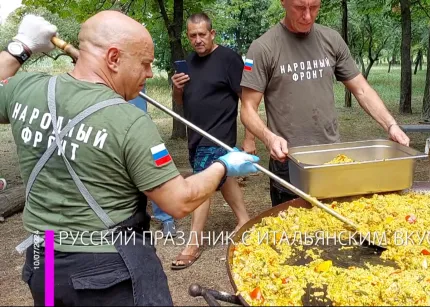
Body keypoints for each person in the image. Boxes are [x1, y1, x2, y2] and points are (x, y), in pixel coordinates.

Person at [0, 11, 259, 306]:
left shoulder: (26, 90)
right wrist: (223, 165)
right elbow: (178, 202)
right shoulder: (129, 122)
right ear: (113, 58)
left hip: (43, 267)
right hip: (107, 273)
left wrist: (21, 45)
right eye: (145, 64)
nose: (149, 74)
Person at [240, 0, 410, 207]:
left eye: (314, 7)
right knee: (292, 232)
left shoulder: (331, 39)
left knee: (333, 230)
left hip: (332, 159)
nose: (308, 16)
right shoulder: (263, 47)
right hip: (289, 161)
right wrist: (269, 138)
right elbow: (248, 108)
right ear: (283, 2)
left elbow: (361, 89)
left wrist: (390, 124)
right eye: (300, 8)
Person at [169, 12, 256, 270]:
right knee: (224, 175)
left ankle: (192, 244)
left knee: (201, 183)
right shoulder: (188, 64)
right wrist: (177, 87)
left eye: (202, 34)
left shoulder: (228, 59)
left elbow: (247, 100)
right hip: (196, 136)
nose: (197, 40)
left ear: (212, 33)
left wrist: (250, 137)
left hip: (219, 135)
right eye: (192, 35)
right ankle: (244, 220)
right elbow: (182, 102)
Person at [128, 86, 177, 236]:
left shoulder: (132, 74)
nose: (148, 73)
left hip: (139, 128)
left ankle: (167, 218)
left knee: (155, 171)